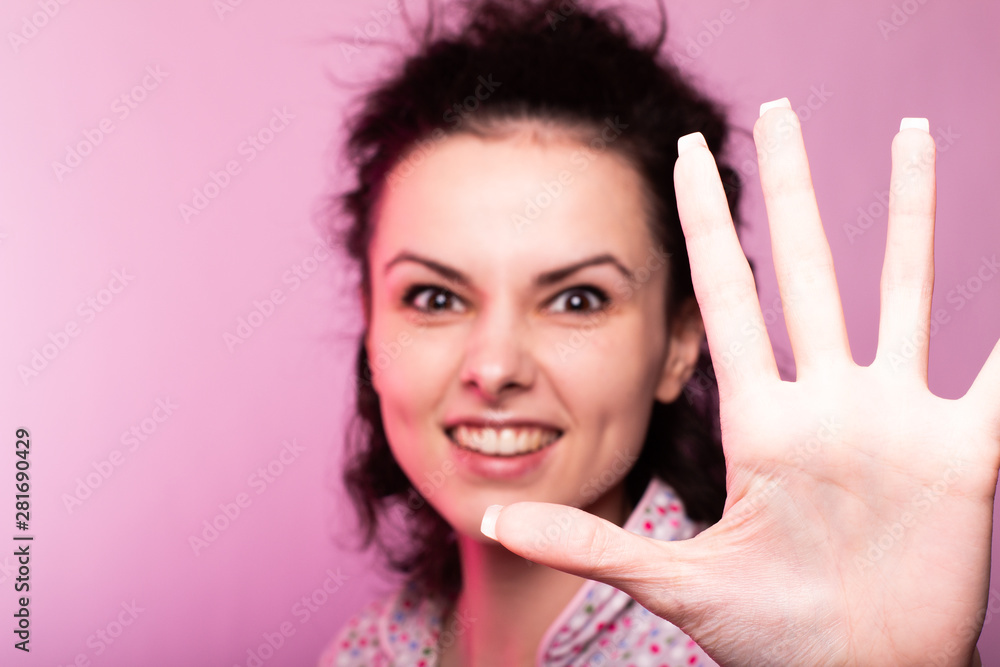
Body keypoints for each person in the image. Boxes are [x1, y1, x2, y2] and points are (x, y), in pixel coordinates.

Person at [322, 0, 998, 665]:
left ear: (679, 342)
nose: (495, 366)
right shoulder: (361, 651)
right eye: (434, 296)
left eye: (578, 299)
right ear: (370, 318)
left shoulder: (759, 646)